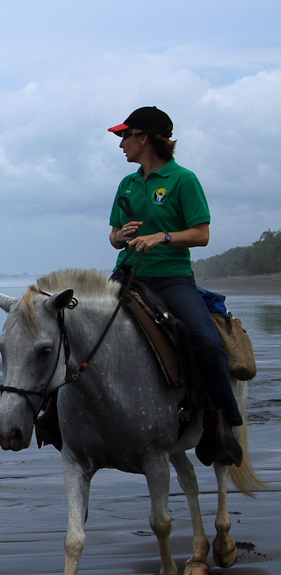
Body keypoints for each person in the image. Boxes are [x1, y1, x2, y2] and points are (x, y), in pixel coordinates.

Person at [107, 106, 243, 465]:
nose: (121, 144)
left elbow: (202, 234)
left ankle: (223, 424)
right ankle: (57, 418)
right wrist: (120, 235)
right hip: (126, 275)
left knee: (207, 343)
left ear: (144, 137)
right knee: (75, 331)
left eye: (125, 135)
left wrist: (161, 238)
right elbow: (113, 236)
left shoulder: (183, 180)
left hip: (171, 278)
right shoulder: (128, 183)